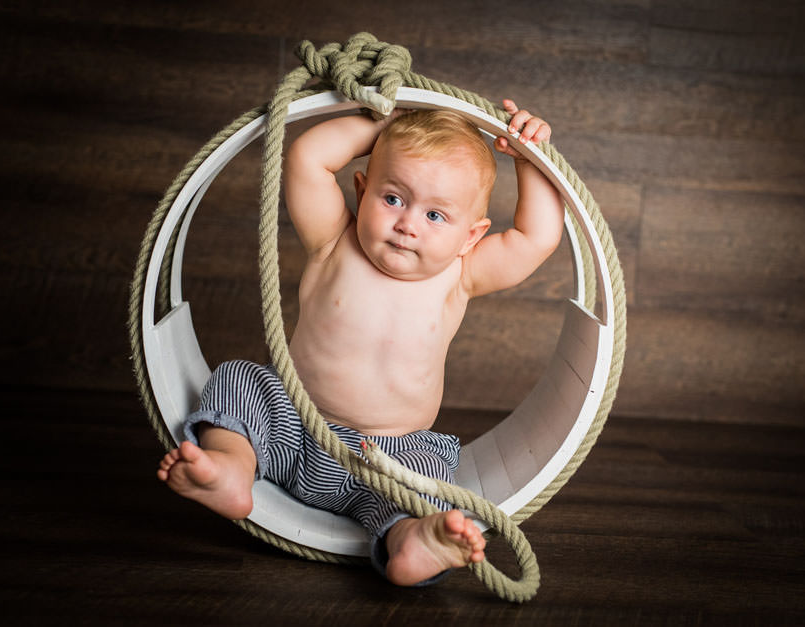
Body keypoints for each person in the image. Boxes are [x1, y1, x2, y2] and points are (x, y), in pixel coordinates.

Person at [157, 99, 564, 586]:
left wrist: (528, 156)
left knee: (433, 464)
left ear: (470, 236)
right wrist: (386, 120)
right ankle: (231, 468)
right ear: (361, 188)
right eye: (393, 198)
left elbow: (534, 238)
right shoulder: (332, 239)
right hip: (293, 426)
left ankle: (411, 539)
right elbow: (308, 156)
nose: (408, 224)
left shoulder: (462, 273)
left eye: (436, 215)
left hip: (389, 455)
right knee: (243, 380)